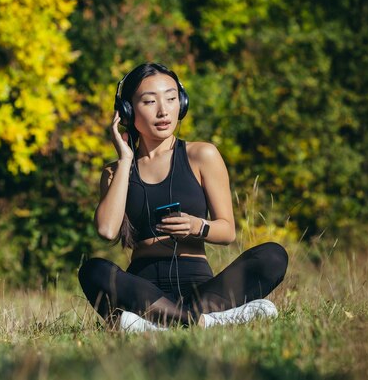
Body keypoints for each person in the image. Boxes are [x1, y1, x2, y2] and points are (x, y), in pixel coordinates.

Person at [78, 63, 288, 331]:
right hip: (143, 290)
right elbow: (107, 230)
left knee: (272, 255)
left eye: (171, 98)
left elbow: (227, 231)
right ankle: (202, 322)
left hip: (202, 289)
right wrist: (126, 159)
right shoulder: (114, 171)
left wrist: (197, 226)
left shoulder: (202, 155)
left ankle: (158, 323)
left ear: (182, 103)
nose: (163, 110)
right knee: (92, 270)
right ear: (128, 111)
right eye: (149, 101)